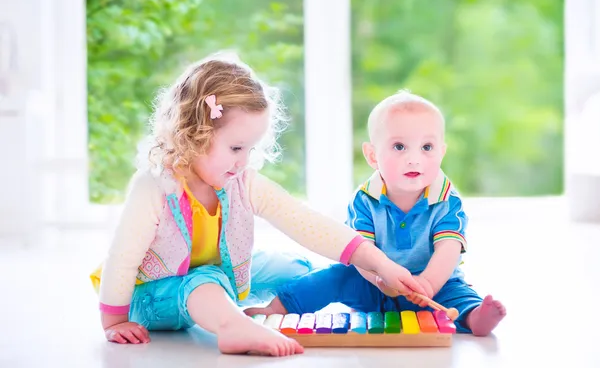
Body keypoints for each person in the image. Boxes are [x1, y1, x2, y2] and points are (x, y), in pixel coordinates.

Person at [90, 53, 428, 357]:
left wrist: (376, 262)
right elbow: (122, 258)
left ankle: (242, 307)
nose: (243, 161)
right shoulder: (154, 187)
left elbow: (304, 221)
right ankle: (231, 326)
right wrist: (114, 321)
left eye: (250, 150)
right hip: (151, 296)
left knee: (295, 270)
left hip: (218, 279)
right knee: (204, 279)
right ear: (195, 134)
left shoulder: (240, 181)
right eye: (236, 148)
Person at [245, 90, 507, 336]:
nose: (414, 159)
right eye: (399, 147)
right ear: (372, 155)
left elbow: (448, 249)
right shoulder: (364, 200)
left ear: (441, 151)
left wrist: (427, 283)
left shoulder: (447, 201)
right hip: (374, 286)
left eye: (426, 147)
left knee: (459, 294)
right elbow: (361, 251)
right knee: (334, 276)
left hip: (434, 289)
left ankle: (475, 317)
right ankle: (277, 309)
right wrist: (380, 280)